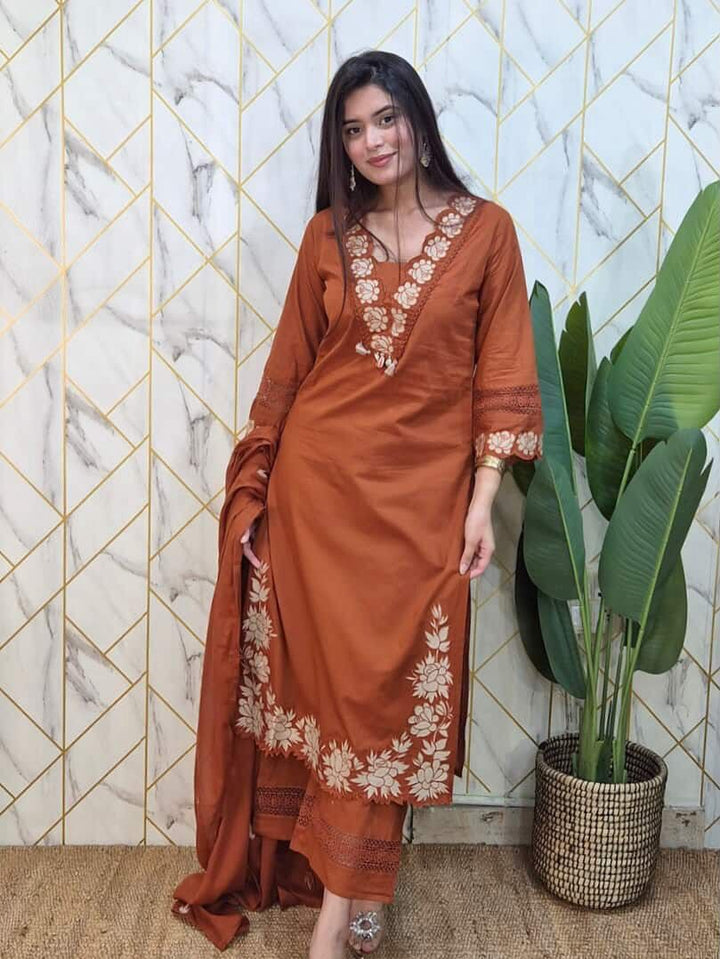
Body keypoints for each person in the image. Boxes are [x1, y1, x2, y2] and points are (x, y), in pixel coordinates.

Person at [170, 49, 543, 957]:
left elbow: (502, 369)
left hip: (423, 511)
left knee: (382, 708)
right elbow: (290, 371)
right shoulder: (326, 237)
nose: (372, 141)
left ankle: (351, 893)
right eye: (353, 128)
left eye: (386, 119)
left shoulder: (487, 231)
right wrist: (257, 493)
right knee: (339, 712)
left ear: (418, 119)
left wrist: (482, 499)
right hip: (319, 502)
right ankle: (339, 917)